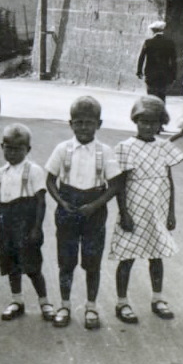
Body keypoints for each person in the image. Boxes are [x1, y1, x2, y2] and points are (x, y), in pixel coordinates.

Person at [45, 96, 123, 330]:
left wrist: (96, 205)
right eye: (78, 122)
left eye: (89, 123)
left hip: (94, 210)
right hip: (67, 208)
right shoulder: (63, 149)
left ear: (99, 124)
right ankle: (65, 305)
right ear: (71, 124)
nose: (84, 127)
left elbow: (116, 184)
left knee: (92, 261)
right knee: (66, 261)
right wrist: (61, 201)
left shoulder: (105, 151)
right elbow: (50, 180)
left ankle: (91, 307)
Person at [109, 95, 183, 323]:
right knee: (127, 257)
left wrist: (171, 212)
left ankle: (158, 298)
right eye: (143, 121)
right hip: (134, 209)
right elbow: (119, 185)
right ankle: (122, 302)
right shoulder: (125, 148)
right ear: (135, 121)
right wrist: (124, 213)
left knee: (156, 255)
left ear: (161, 124)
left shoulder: (164, 147)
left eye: (153, 122)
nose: (148, 126)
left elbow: (169, 181)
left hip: (157, 208)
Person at [0, 123, 55, 322]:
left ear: (28, 149)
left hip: (26, 223)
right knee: (11, 264)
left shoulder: (34, 170)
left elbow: (41, 201)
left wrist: (37, 228)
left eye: (18, 149)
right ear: (2, 147)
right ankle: (17, 301)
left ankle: (45, 302)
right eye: (8, 148)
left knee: (32, 265)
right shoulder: (0, 173)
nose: (13, 152)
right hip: (5, 222)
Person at [136, 20, 177, 104]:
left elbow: (141, 58)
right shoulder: (170, 43)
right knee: (162, 96)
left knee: (151, 96)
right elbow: (173, 61)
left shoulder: (148, 42)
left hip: (151, 74)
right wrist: (173, 75)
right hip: (164, 74)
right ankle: (161, 113)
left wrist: (139, 71)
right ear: (162, 30)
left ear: (153, 30)